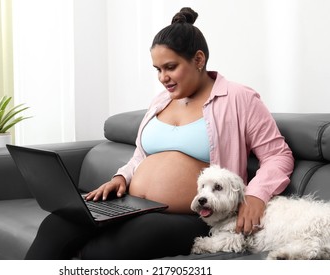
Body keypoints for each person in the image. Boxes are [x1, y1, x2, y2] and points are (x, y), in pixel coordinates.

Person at [27, 7, 294, 260]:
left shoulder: (239, 99)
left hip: (193, 217)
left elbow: (278, 156)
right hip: (130, 203)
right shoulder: (160, 101)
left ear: (198, 59)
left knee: (111, 248)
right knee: (57, 224)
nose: (162, 77)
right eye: (158, 69)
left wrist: (257, 195)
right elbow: (140, 157)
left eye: (170, 67)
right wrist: (121, 177)